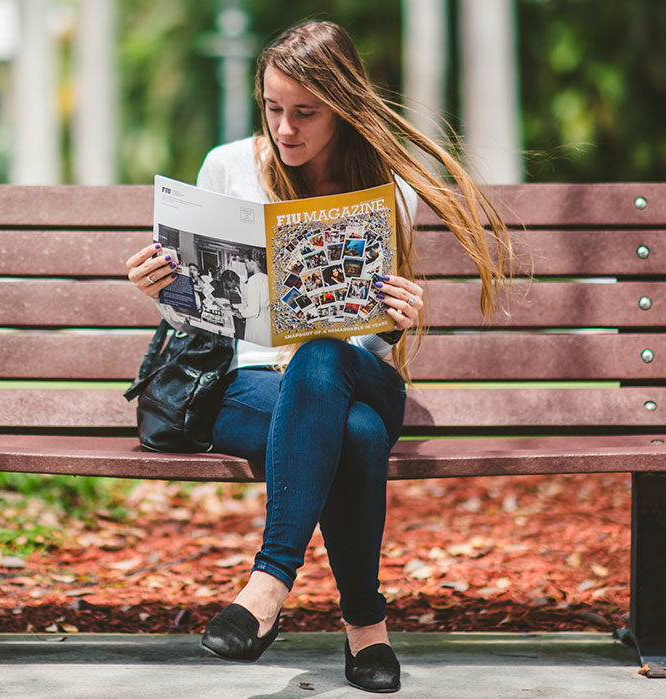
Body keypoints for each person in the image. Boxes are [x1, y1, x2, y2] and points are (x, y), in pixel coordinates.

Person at [125, 21, 510, 693]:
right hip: (248, 384)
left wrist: (399, 321)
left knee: (323, 355)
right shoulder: (227, 167)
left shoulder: (387, 187)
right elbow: (205, 315)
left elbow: (379, 337)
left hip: (356, 372)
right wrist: (162, 285)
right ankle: (366, 626)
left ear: (343, 106)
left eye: (305, 112)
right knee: (354, 435)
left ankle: (268, 583)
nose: (285, 128)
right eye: (273, 108)